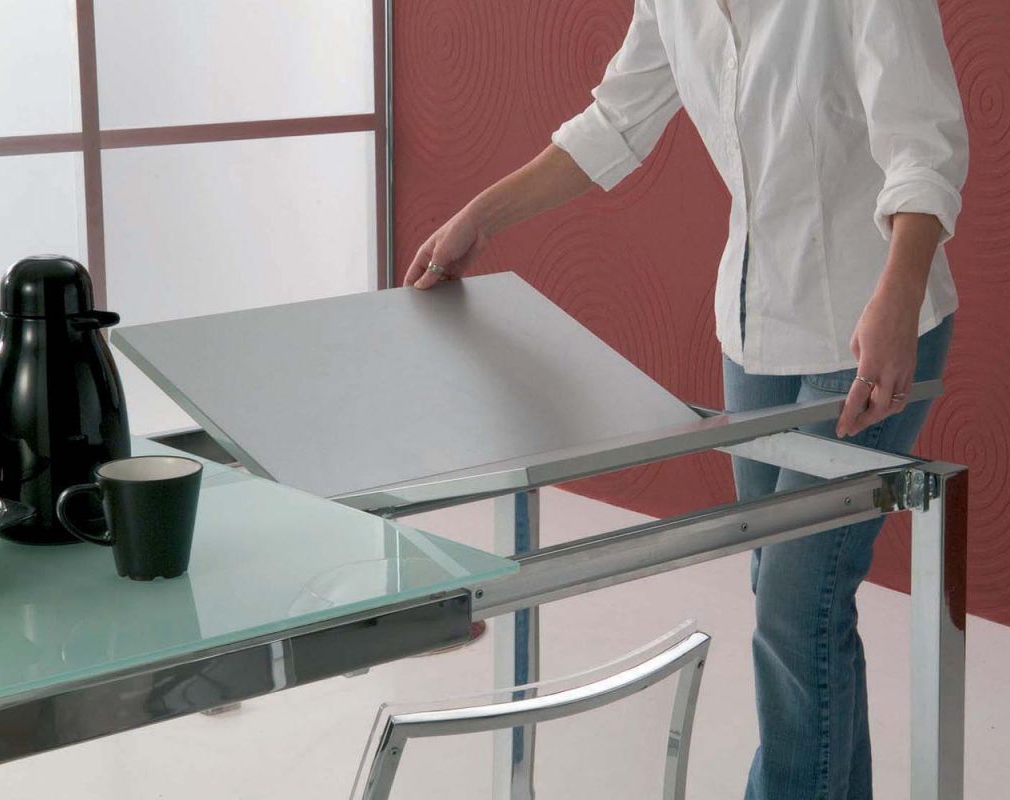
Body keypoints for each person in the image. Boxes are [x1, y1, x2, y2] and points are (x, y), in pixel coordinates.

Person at [405, 1, 967, 796]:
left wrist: (900, 293)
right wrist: (479, 218)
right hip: (754, 331)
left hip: (868, 325)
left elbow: (923, 142)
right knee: (795, 601)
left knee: (795, 606)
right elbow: (616, 120)